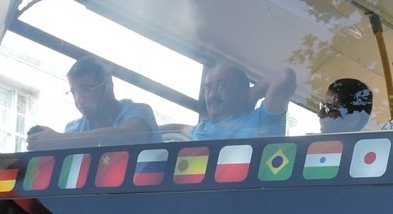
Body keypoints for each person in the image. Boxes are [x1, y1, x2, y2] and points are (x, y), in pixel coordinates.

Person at [26, 56, 159, 149]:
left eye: (86, 89)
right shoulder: (74, 129)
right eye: (74, 92)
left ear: (108, 85)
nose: (79, 99)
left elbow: (129, 137)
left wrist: (60, 139)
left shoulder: (140, 112)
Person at [190, 62, 295, 140]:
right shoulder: (201, 128)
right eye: (208, 88)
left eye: (221, 85)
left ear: (242, 92)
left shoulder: (261, 120)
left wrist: (251, 95)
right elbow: (180, 129)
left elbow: (285, 78)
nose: (212, 95)